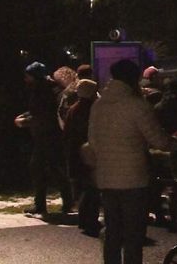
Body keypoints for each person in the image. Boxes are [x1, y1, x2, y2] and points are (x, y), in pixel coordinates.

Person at [88, 58, 177, 264]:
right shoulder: (136, 104)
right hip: (134, 178)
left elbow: (92, 140)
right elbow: (157, 139)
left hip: (106, 177)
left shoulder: (99, 105)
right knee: (133, 232)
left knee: (112, 229)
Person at [15, 61, 72, 218]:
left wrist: (24, 121)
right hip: (51, 135)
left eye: (28, 76)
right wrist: (27, 116)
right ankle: (66, 202)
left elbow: (43, 115)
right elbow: (38, 111)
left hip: (47, 136)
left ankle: (42, 205)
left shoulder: (42, 90)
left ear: (34, 76)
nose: (26, 79)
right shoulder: (50, 88)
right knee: (53, 169)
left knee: (39, 168)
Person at [64, 78, 101, 236]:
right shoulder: (92, 109)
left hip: (75, 152)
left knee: (85, 187)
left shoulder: (73, 109)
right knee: (92, 188)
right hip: (88, 152)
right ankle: (90, 220)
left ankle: (84, 218)